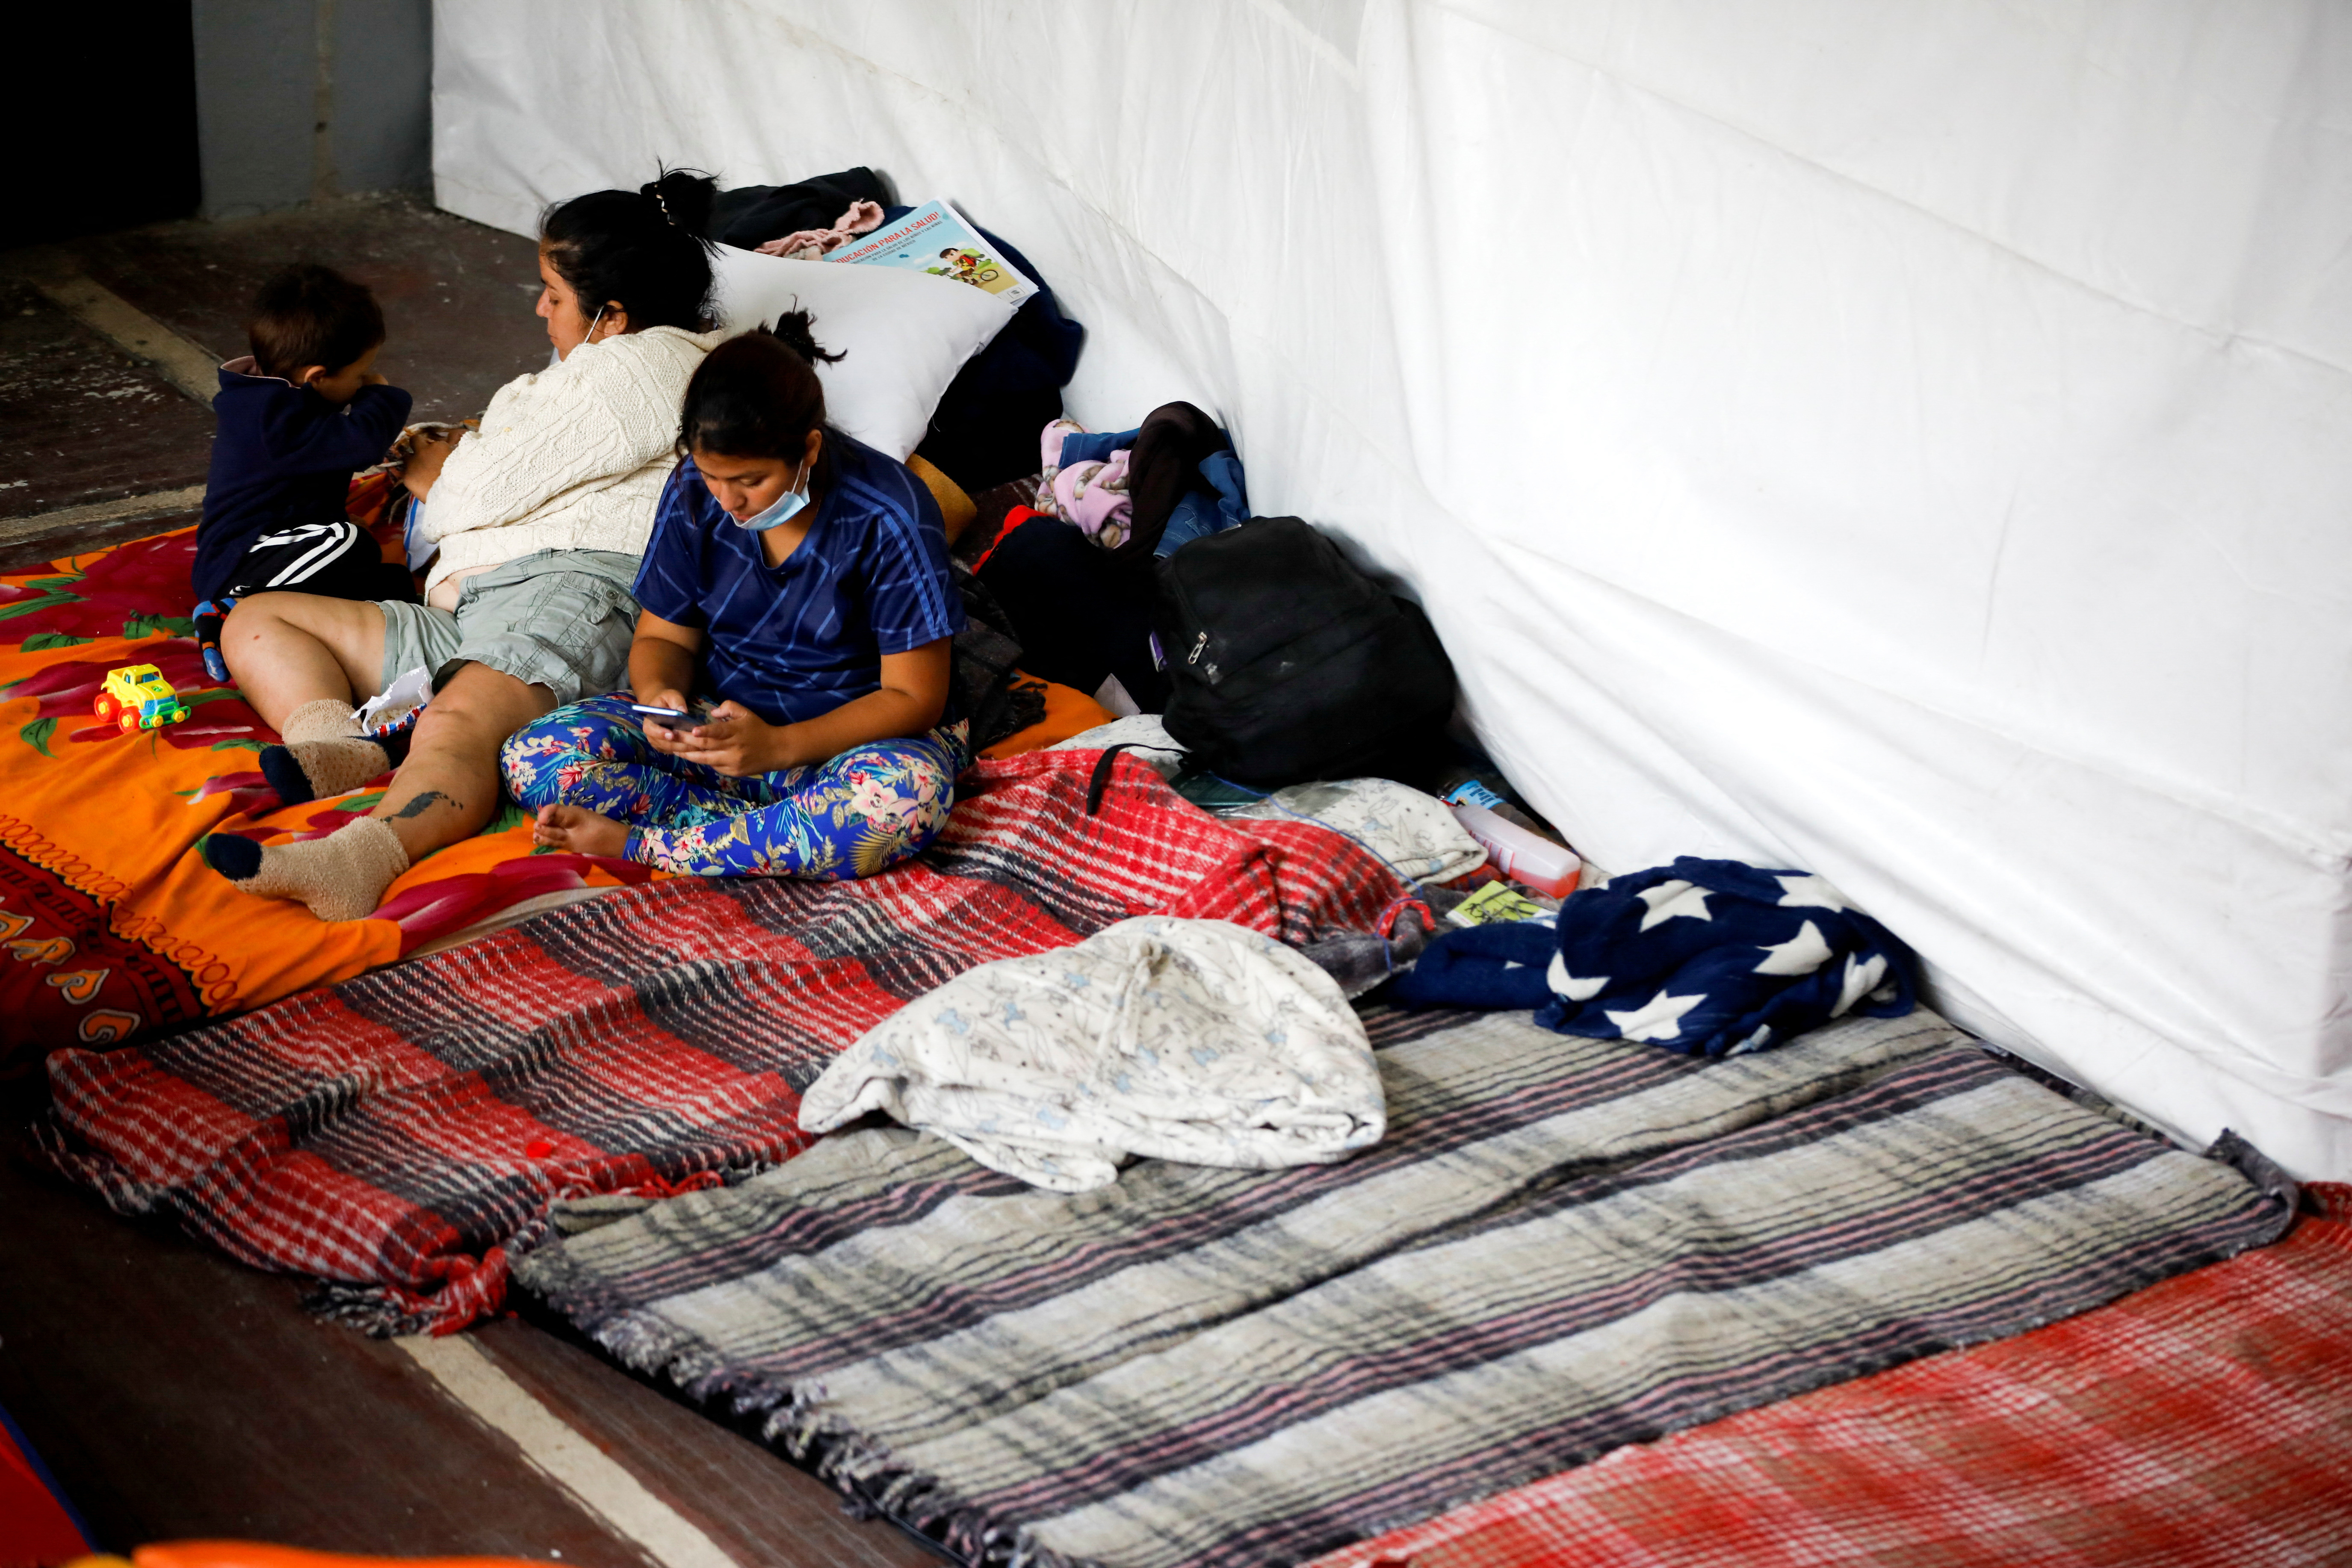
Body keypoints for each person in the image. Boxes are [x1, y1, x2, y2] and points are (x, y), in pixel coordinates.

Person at [203, 168, 727, 921]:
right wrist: (467, 455)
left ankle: (359, 857)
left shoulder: (649, 364)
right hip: (487, 604)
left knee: (456, 724)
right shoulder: (604, 366)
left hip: (570, 590)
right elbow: (522, 462)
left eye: (553, 293)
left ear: (611, 315)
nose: (541, 307)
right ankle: (340, 744)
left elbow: (476, 494)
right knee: (256, 618)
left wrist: (434, 475)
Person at [497, 319, 968, 879]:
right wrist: (661, 699)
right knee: (533, 756)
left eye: (751, 479)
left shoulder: (888, 514)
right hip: (723, 732)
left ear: (809, 448)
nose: (729, 501)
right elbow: (663, 635)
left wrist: (780, 746)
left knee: (902, 800)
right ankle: (776, 834)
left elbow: (914, 696)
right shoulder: (693, 491)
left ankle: (646, 845)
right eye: (712, 476)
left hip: (857, 746)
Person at [190, 265, 417, 669]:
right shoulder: (270, 419)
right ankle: (228, 611)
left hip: (279, 540)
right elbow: (360, 444)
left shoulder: (274, 396)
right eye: (359, 372)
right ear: (317, 377)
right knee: (348, 541)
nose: (365, 379)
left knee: (389, 580)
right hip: (242, 560)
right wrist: (379, 396)